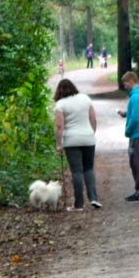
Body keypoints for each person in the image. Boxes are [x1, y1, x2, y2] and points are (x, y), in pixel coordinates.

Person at [53, 78, 101, 211]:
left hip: (71, 140)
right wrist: (91, 133)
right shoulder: (85, 98)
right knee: (89, 169)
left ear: (59, 91)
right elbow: (93, 119)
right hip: (88, 138)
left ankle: (79, 204)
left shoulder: (60, 104)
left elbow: (59, 125)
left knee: (77, 172)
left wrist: (58, 143)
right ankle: (93, 199)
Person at [117, 70, 139, 202]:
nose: (124, 86)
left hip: (137, 133)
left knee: (138, 164)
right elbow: (136, 113)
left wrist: (128, 131)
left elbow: (135, 118)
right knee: (136, 163)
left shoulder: (136, 97)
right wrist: (125, 114)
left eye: (125, 83)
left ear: (131, 81)